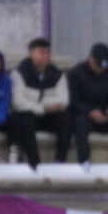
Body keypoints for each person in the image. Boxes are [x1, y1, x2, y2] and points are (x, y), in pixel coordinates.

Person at [9, 37, 70, 167]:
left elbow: (63, 100)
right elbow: (18, 102)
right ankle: (34, 162)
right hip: (30, 116)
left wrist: (39, 103)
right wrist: (43, 107)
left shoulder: (57, 75)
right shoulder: (19, 74)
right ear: (31, 54)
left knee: (65, 119)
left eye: (47, 52)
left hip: (49, 116)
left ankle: (60, 160)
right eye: (41, 52)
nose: (45, 56)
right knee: (26, 118)